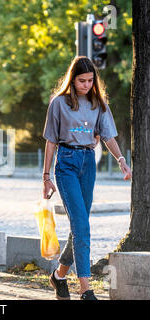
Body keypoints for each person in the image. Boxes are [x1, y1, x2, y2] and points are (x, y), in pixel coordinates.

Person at [42, 56, 132, 300]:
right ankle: (85, 288)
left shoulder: (98, 104)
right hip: (67, 165)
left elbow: (108, 136)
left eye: (91, 80)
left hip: (88, 165)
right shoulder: (59, 103)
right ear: (72, 79)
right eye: (82, 80)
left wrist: (122, 161)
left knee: (78, 227)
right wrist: (46, 176)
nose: (87, 85)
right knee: (82, 226)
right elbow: (51, 140)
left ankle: (59, 276)